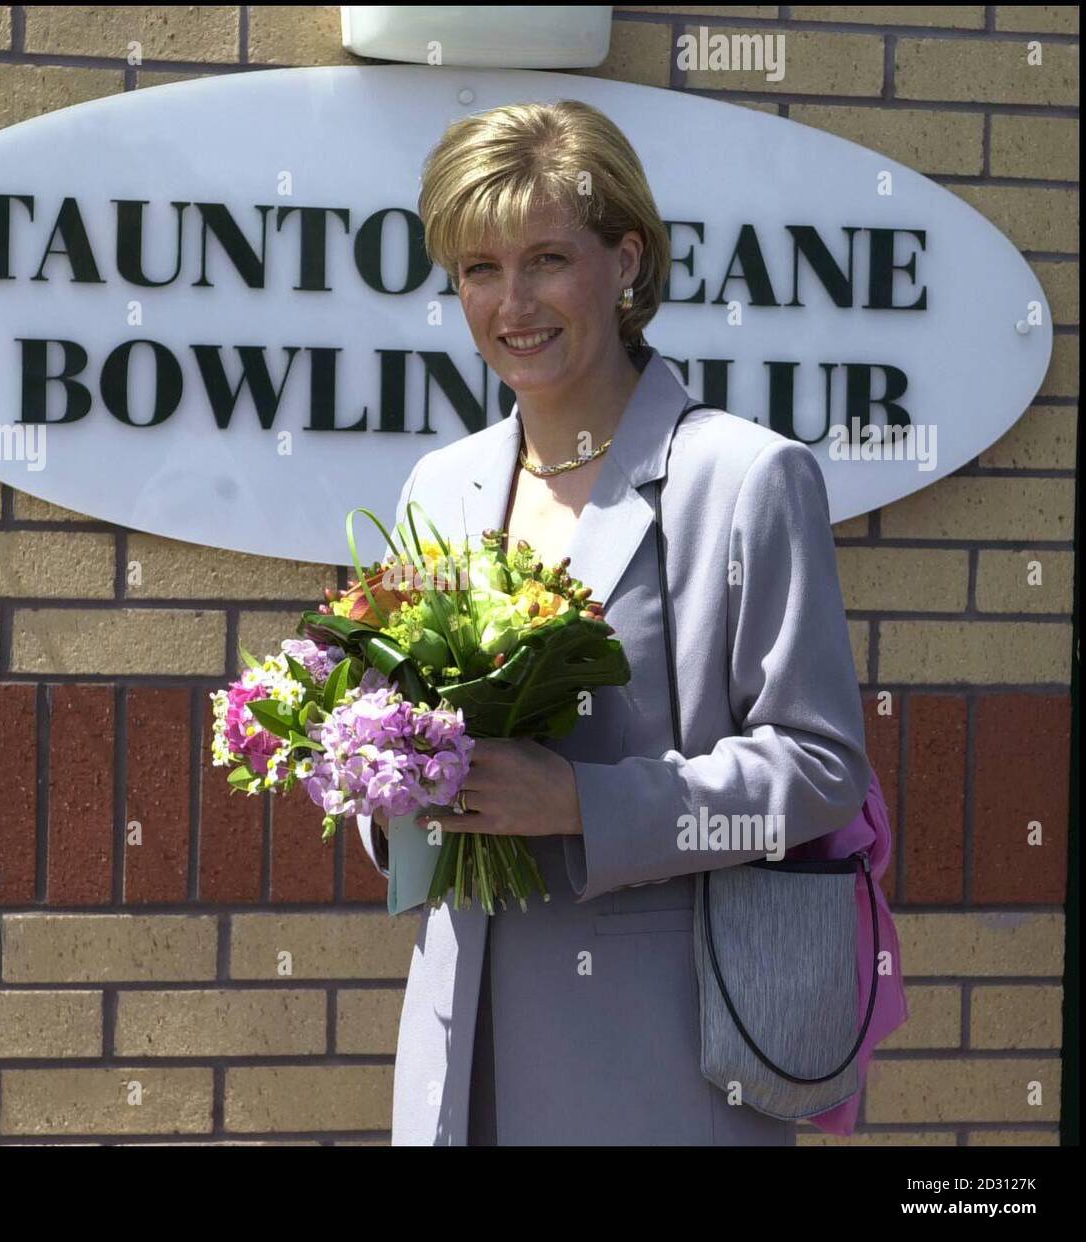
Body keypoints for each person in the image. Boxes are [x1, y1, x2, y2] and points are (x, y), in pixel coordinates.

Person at [358, 99, 871, 1146]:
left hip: (659, 1065)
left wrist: (584, 803)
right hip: (458, 1057)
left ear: (626, 261)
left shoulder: (745, 478)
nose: (512, 303)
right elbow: (397, 748)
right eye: (477, 270)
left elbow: (820, 770)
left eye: (546, 258)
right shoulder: (437, 487)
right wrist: (381, 781)